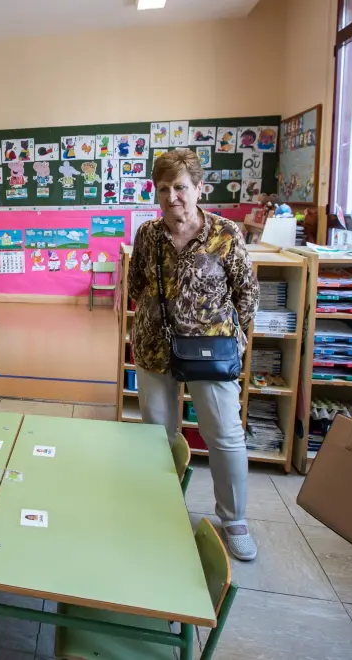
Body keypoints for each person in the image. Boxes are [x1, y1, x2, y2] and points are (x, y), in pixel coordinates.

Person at [128, 149, 259, 561]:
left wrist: (227, 334)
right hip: (154, 349)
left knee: (224, 435)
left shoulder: (225, 234)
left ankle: (233, 518)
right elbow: (136, 287)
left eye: (181, 188)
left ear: (200, 189)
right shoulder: (148, 235)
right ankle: (160, 507)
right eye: (163, 189)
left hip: (211, 351)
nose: (172, 198)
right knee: (158, 436)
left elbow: (247, 295)